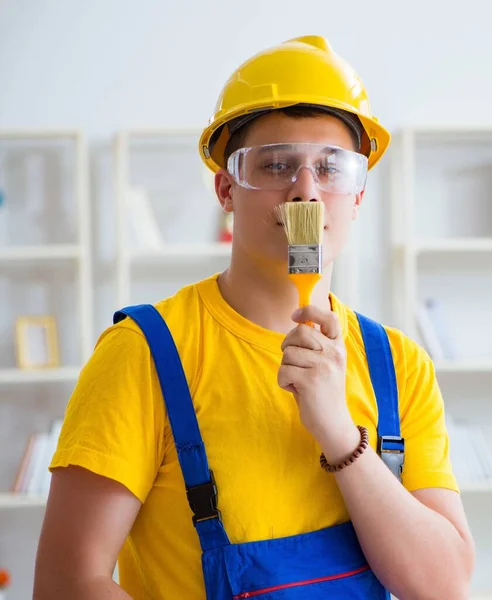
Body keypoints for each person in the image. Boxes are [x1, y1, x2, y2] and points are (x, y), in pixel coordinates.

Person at [33, 35, 474, 600]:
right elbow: (68, 584)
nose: (306, 193)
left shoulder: (401, 366)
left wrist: (339, 434)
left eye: (331, 168)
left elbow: (443, 587)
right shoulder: (144, 351)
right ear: (226, 189)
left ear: (358, 196)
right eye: (276, 165)